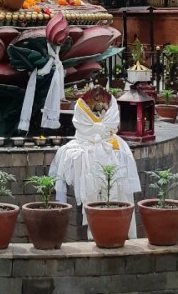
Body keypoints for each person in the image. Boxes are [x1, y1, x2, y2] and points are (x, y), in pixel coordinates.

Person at [49, 86, 141, 238]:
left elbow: (105, 125)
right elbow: (85, 126)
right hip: (90, 142)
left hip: (104, 142)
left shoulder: (109, 107)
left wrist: (99, 133)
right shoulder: (83, 107)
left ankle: (116, 227)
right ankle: (101, 227)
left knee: (115, 186)